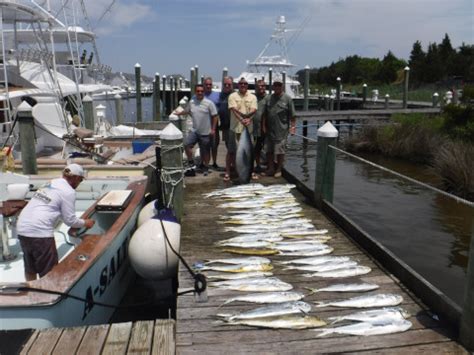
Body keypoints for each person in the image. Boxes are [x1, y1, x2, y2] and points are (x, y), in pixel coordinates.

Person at [16, 164, 95, 280]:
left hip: (22, 228)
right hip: (40, 232)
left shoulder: (50, 183)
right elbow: (70, 220)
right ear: (76, 178)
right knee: (50, 272)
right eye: (81, 180)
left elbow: (56, 209)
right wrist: (85, 223)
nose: (79, 183)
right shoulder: (68, 191)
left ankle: (31, 293)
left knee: (30, 267)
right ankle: (49, 296)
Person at [178, 84, 218, 177]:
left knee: (206, 151)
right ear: (195, 92)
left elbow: (215, 116)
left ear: (204, 92)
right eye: (198, 91)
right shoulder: (192, 102)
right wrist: (178, 113)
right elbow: (187, 110)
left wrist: (213, 129)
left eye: (201, 91)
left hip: (206, 132)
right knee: (187, 144)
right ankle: (191, 163)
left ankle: (206, 167)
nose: (200, 93)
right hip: (195, 130)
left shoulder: (209, 103)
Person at [262, 77, 296, 178]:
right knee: (269, 151)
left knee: (280, 152)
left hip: (281, 131)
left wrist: (293, 127)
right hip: (269, 131)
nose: (277, 86)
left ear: (282, 86)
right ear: (273, 86)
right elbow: (264, 114)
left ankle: (279, 169)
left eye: (279, 85)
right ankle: (271, 168)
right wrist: (263, 126)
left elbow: (293, 115)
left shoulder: (287, 99)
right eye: (275, 85)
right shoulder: (268, 98)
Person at [227, 77, 258, 182]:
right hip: (235, 128)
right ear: (238, 85)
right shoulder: (232, 96)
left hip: (248, 130)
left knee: (249, 153)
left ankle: (248, 171)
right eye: (241, 84)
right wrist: (242, 119)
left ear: (247, 85)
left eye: (245, 84)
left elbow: (254, 109)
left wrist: (248, 119)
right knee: (232, 152)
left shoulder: (253, 97)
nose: (243, 85)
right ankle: (231, 172)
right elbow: (233, 109)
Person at [203, 77, 222, 171]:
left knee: (214, 145)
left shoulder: (217, 95)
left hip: (214, 123)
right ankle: (205, 163)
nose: (208, 86)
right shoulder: (199, 95)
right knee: (204, 145)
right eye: (206, 84)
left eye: (210, 84)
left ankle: (214, 163)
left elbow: (221, 107)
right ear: (204, 85)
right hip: (203, 124)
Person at [217, 76, 234, 180]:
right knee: (229, 147)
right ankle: (231, 167)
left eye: (229, 84)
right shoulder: (221, 95)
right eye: (225, 84)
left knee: (233, 149)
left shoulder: (235, 95)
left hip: (235, 127)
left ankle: (234, 167)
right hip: (225, 127)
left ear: (232, 85)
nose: (227, 86)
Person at [253, 79, 267, 174]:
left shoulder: (269, 98)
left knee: (268, 149)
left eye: (262, 86)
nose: (260, 88)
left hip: (266, 129)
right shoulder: (253, 97)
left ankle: (270, 166)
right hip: (254, 129)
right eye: (258, 86)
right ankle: (257, 165)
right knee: (256, 149)